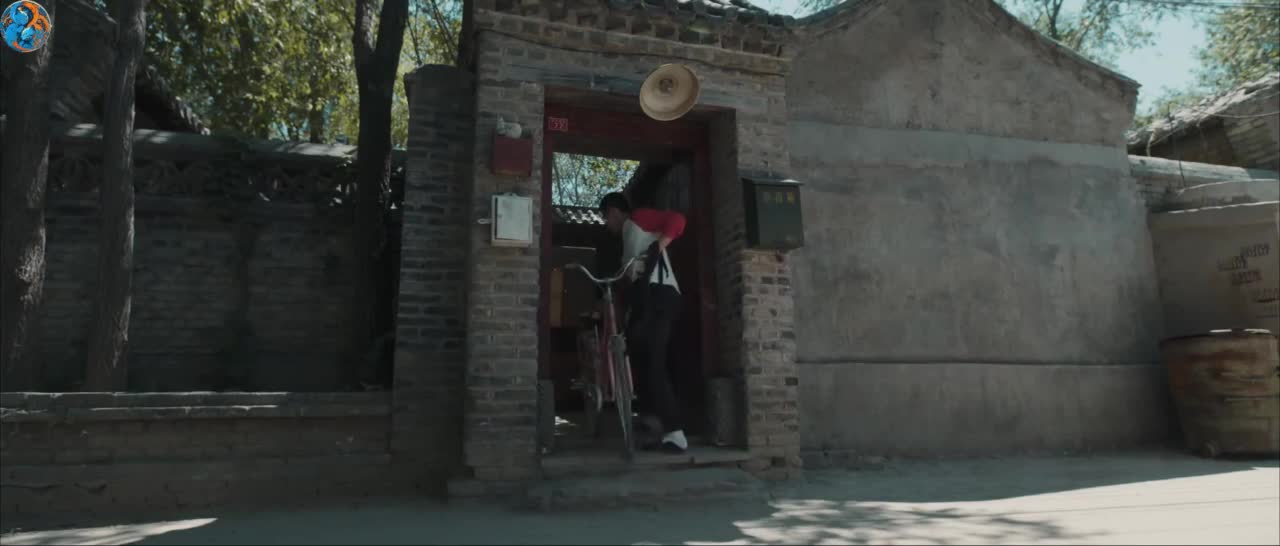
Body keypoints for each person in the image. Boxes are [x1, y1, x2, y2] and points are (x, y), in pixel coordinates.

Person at [599, 192, 689, 453]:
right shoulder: (628, 240)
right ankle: (652, 423)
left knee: (654, 362)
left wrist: (658, 247)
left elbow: (677, 220)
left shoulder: (637, 219)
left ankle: (675, 433)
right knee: (638, 358)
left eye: (606, 218)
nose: (607, 224)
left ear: (614, 212)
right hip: (646, 301)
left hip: (660, 296)